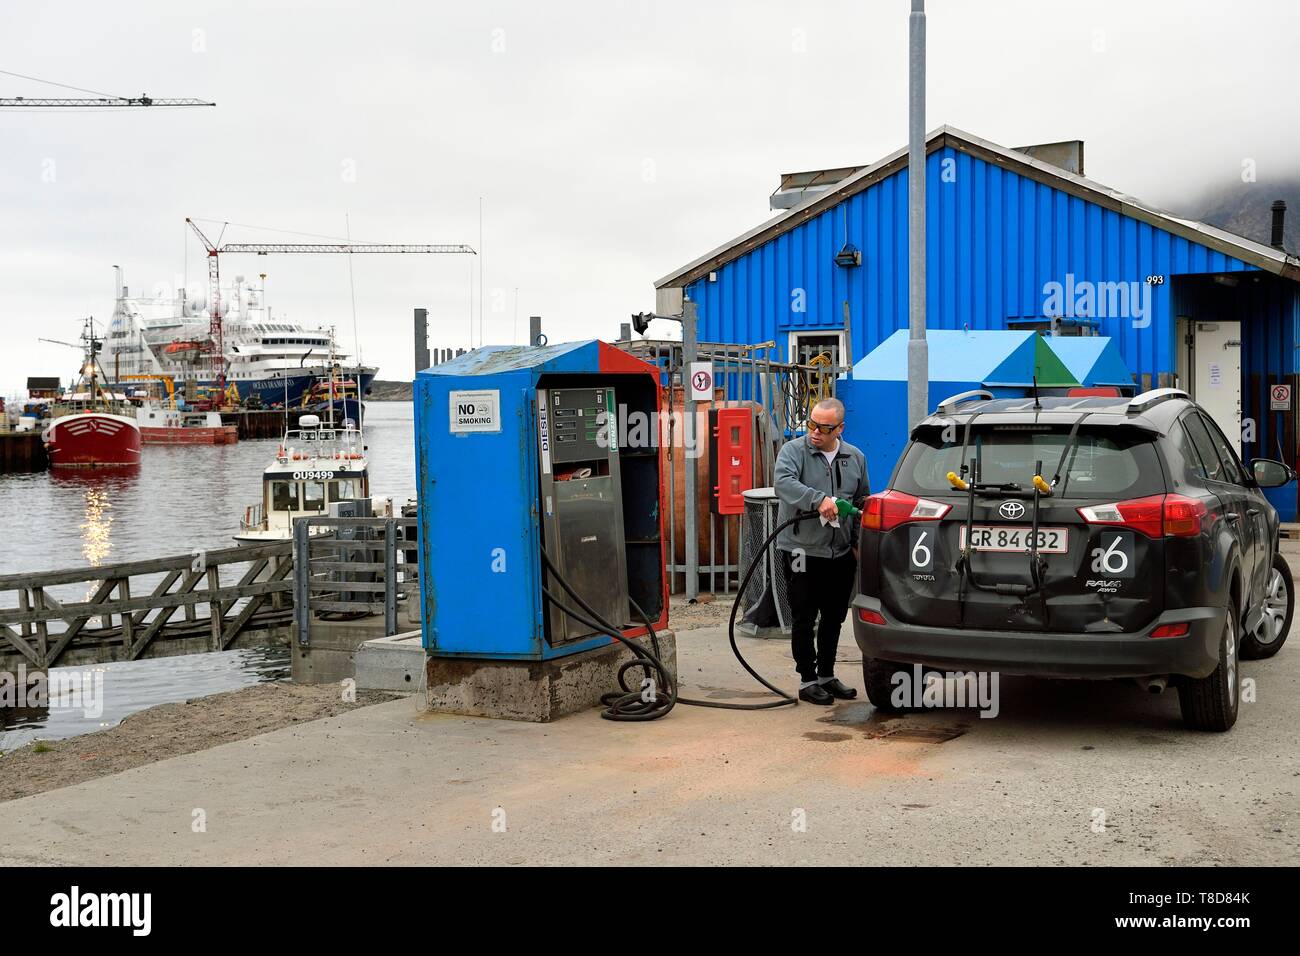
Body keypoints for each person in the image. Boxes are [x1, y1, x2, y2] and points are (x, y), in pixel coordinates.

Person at [773, 398, 870, 705]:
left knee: (834, 615)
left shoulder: (855, 458)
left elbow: (861, 501)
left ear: (839, 428)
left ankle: (827, 675)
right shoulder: (793, 452)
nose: (815, 432)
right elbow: (783, 483)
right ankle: (807, 679)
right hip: (802, 550)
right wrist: (818, 500)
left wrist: (855, 544)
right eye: (811, 424)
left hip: (838, 552)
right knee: (804, 616)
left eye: (823, 428)